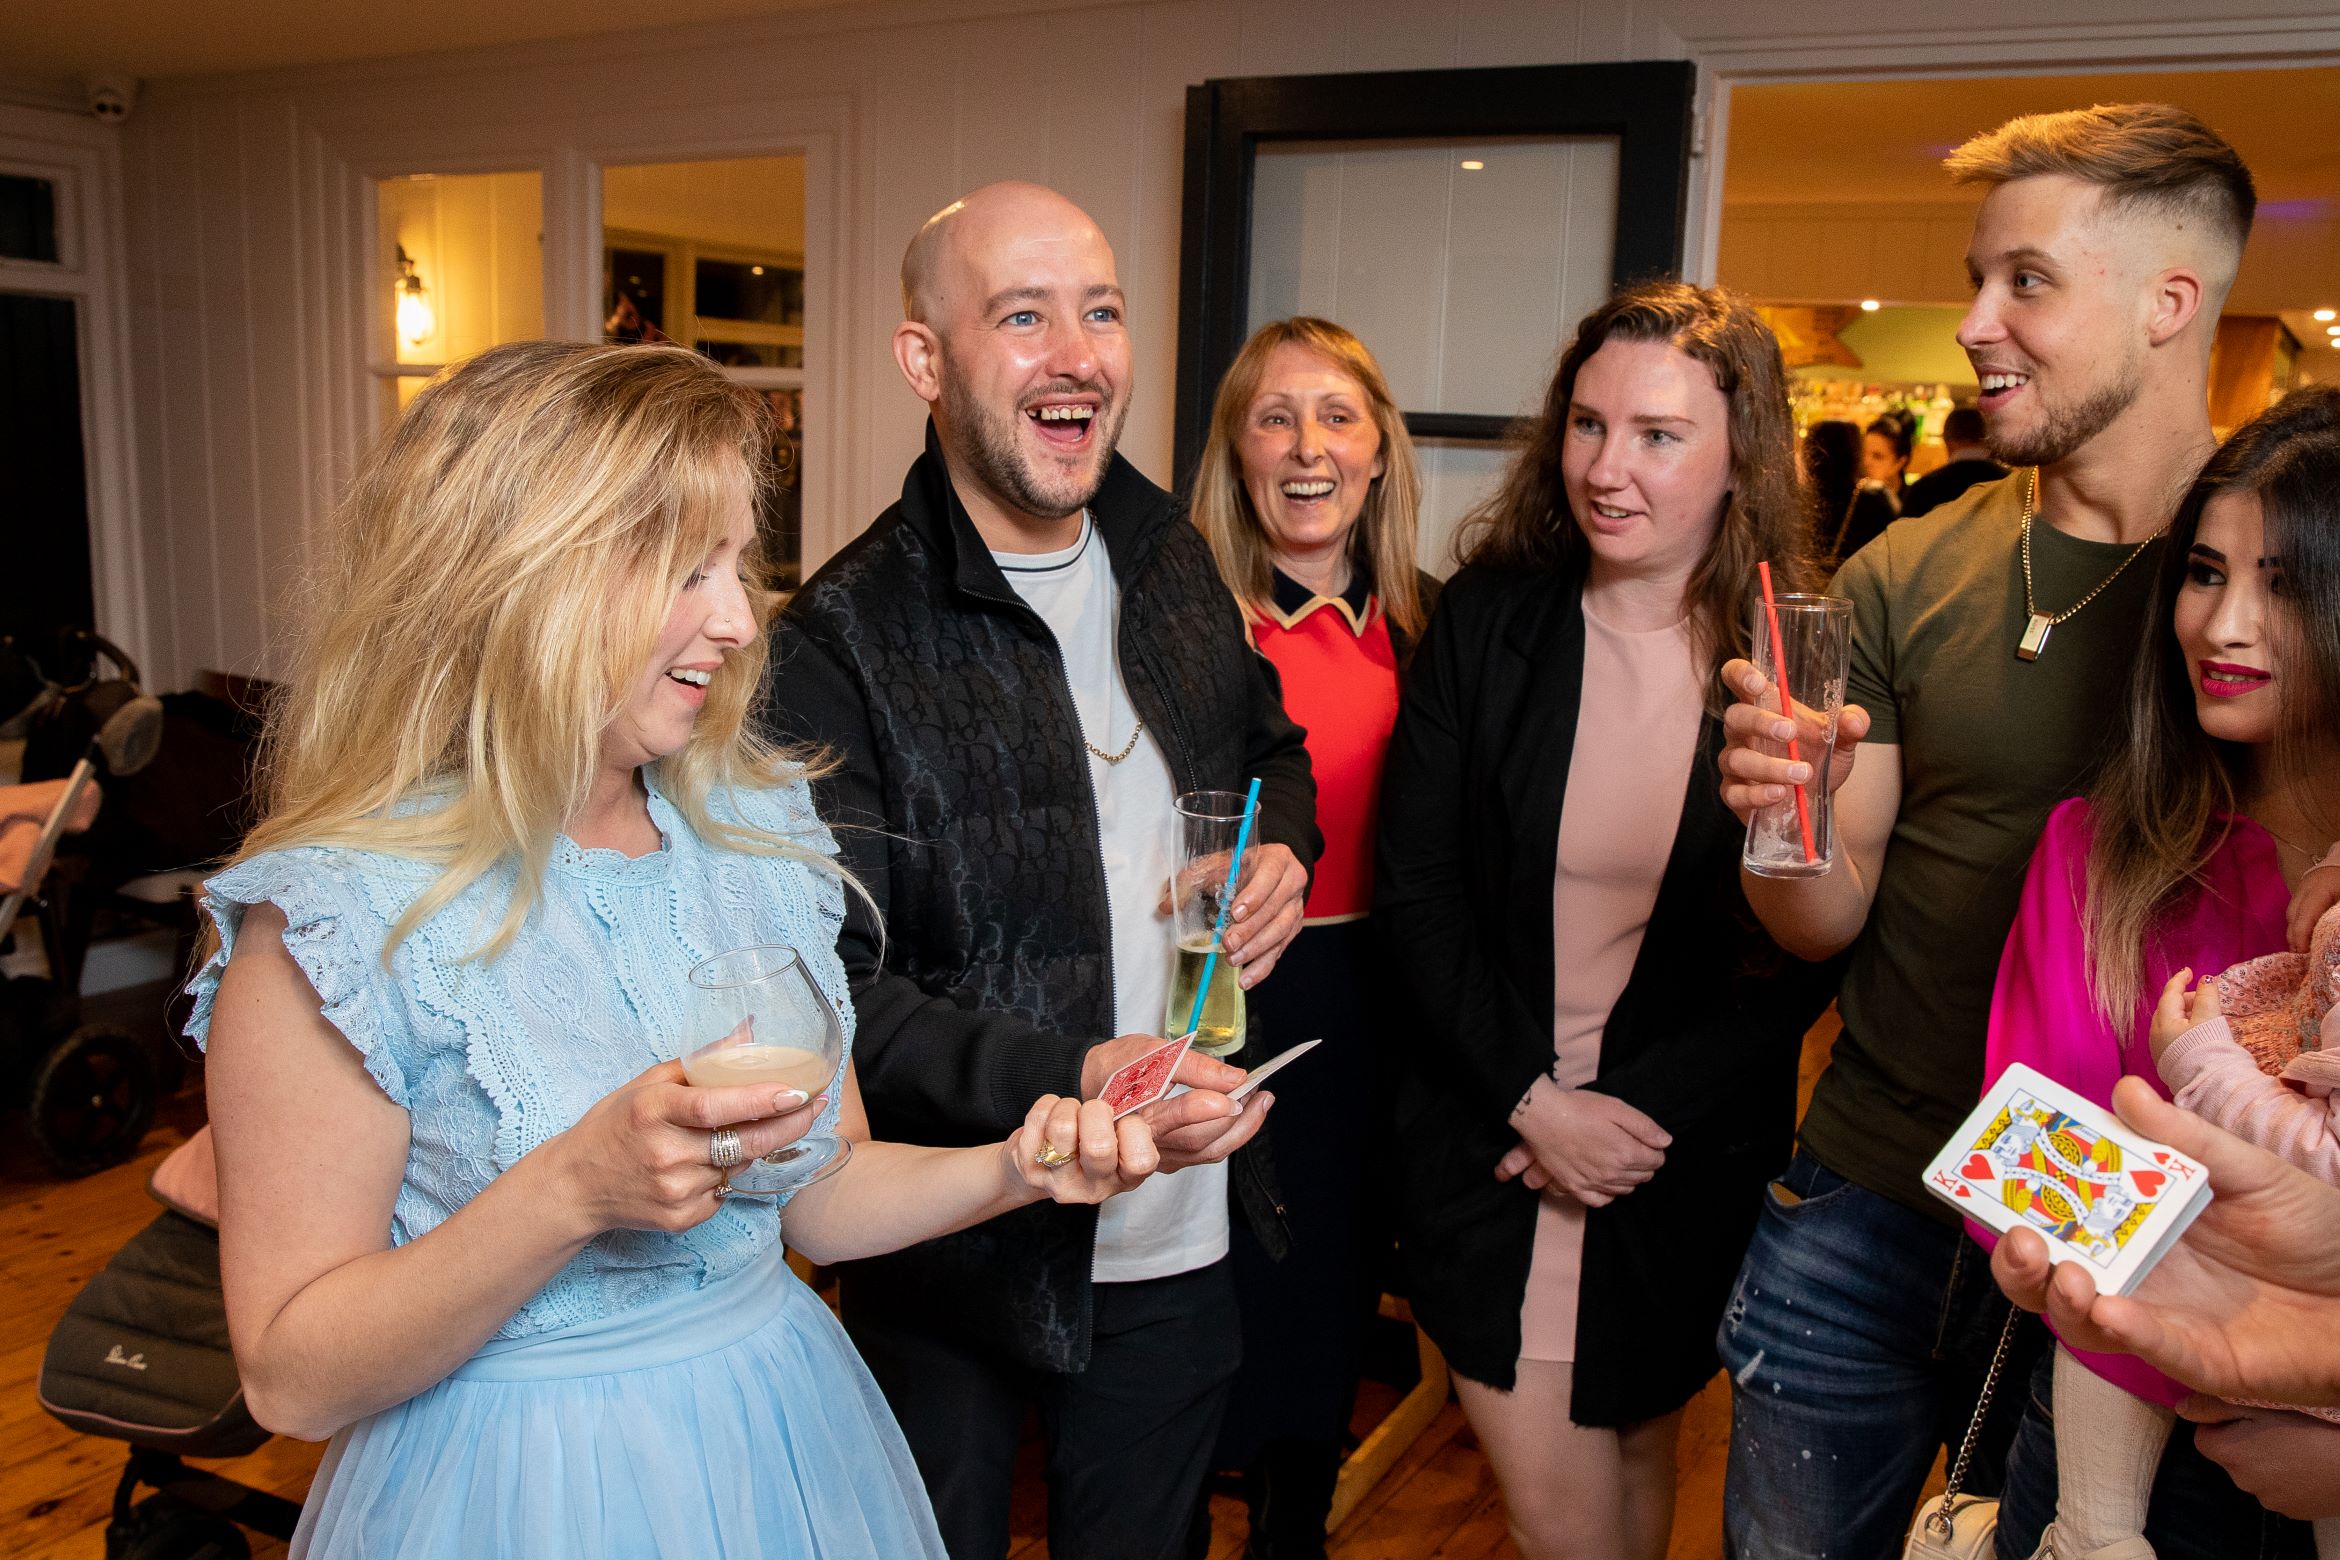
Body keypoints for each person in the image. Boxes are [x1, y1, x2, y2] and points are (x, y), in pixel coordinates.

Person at [191, 340, 1168, 1559]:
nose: (737, 614)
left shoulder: (748, 830)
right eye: (681, 568)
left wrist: (1016, 1171)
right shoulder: (335, 924)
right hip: (510, 1496)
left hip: (782, 1442)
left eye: (733, 561)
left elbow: (819, 1191)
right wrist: (570, 1191)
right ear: (511, 581)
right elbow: (291, 1379)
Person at [1712, 103, 2261, 1558]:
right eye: (1977, 277)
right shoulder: (1910, 565)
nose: (1971, 324)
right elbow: (1823, 916)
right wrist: (1783, 818)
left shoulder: (2271, 590)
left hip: (2146, 1245)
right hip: (1868, 1200)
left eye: (2026, 281)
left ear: (2170, 304)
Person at [759, 181, 1317, 1560]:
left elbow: (1269, 745)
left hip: (1181, 1227)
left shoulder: (1170, 553)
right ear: (924, 361)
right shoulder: (838, 638)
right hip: (950, 1251)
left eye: (1102, 310)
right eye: (1023, 315)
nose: (1077, 352)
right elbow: (839, 991)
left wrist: (1285, 844)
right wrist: (1075, 1080)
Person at [1374, 282, 1839, 1560]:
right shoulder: (1487, 623)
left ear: (1741, 456)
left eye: (1657, 435)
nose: (1607, 468)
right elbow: (1420, 896)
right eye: (1587, 425)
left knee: (1642, 1493)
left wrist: (1620, 1125)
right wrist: (1536, 1104)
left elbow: (1798, 953)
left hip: (1675, 1165)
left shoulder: (1785, 660)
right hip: (1490, 1148)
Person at [1981, 389, 2340, 1559]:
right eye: (2203, 570)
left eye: (2285, 583)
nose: (2224, 624)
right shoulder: (2099, 855)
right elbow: (2039, 1146)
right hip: (2119, 1434)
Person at [1188, 315, 1436, 1557]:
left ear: (1381, 448)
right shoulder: (1176, 623)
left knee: (1326, 1277)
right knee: (1199, 1274)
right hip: (1207, 984)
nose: (1307, 446)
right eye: (1274, 417)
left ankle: (1295, 1522)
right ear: (1236, 449)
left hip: (1364, 993)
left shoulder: (1430, 629)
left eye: (1337, 416)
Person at [1900, 405, 2009, 519]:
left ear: (1946, 441)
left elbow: (1904, 533)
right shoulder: (2012, 484)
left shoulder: (1923, 489)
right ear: (1989, 438)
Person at [1832, 409, 1913, 560]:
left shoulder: (1911, 502)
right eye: (1863, 454)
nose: (1866, 462)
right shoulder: (1853, 498)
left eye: (1877, 456)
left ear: (1900, 462)